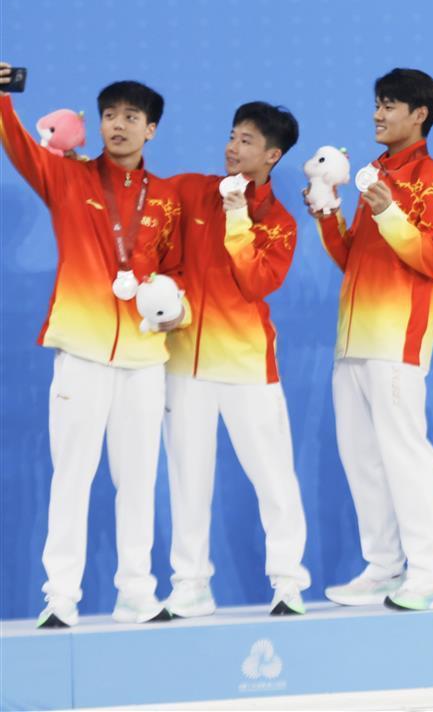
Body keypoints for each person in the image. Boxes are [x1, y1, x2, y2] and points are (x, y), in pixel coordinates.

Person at [0, 64, 185, 627]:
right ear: (99, 123)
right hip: (81, 351)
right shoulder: (68, 177)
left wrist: (173, 305)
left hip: (145, 360)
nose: (118, 125)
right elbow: (19, 146)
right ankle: (60, 595)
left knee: (139, 480)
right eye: (109, 115)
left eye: (131, 117)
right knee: (72, 475)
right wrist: (2, 96)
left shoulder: (167, 198)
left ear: (151, 128)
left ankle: (137, 592)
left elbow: (177, 269)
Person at [315, 68, 433, 610]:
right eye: (377, 103)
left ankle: (428, 574)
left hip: (397, 343)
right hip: (352, 342)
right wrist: (329, 215)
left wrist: (390, 213)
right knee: (362, 460)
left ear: (419, 114)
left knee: (405, 456)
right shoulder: (374, 173)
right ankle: (382, 566)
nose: (378, 114)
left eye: (390, 105)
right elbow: (353, 257)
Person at [163, 102, 310, 618]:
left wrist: (236, 217)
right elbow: (147, 223)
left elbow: (255, 282)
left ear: (272, 156)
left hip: (247, 367)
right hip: (184, 365)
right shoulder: (187, 190)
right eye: (232, 136)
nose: (232, 147)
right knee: (188, 480)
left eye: (247, 141)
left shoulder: (280, 222)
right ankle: (190, 584)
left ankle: (288, 581)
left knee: (273, 477)